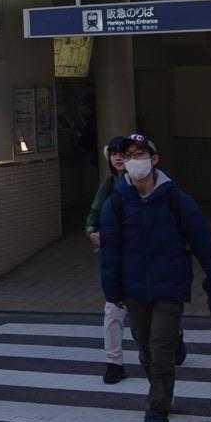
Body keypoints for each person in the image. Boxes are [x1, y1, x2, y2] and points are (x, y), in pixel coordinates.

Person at [99, 134, 211, 422]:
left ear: (154, 159)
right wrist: (112, 291)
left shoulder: (176, 200)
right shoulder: (116, 203)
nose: (133, 161)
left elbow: (204, 243)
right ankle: (162, 385)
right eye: (129, 155)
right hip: (135, 289)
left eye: (140, 154)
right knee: (146, 348)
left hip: (170, 285)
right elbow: (110, 252)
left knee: (160, 350)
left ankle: (156, 415)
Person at [85, 137, 128, 383]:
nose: (118, 158)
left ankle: (173, 339)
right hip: (115, 258)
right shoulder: (109, 185)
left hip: (144, 260)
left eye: (123, 153)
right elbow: (94, 214)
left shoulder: (151, 184)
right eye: (113, 154)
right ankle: (114, 363)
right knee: (113, 309)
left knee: (153, 310)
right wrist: (92, 231)